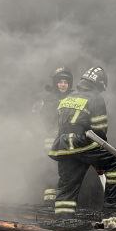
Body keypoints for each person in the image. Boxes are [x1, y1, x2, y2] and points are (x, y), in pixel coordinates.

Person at [48, 66, 116, 215]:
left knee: (67, 188)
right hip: (83, 143)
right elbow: (100, 131)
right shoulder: (96, 98)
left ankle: (63, 222)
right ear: (99, 84)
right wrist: (101, 156)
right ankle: (113, 209)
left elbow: (58, 126)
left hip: (63, 146)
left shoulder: (69, 97)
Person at [33, 67, 73, 206]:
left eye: (66, 82)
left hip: (68, 140)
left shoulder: (74, 98)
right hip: (51, 139)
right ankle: (49, 203)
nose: (63, 85)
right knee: (51, 169)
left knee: (67, 169)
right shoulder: (49, 99)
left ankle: (64, 200)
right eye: (60, 82)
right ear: (56, 83)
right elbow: (41, 118)